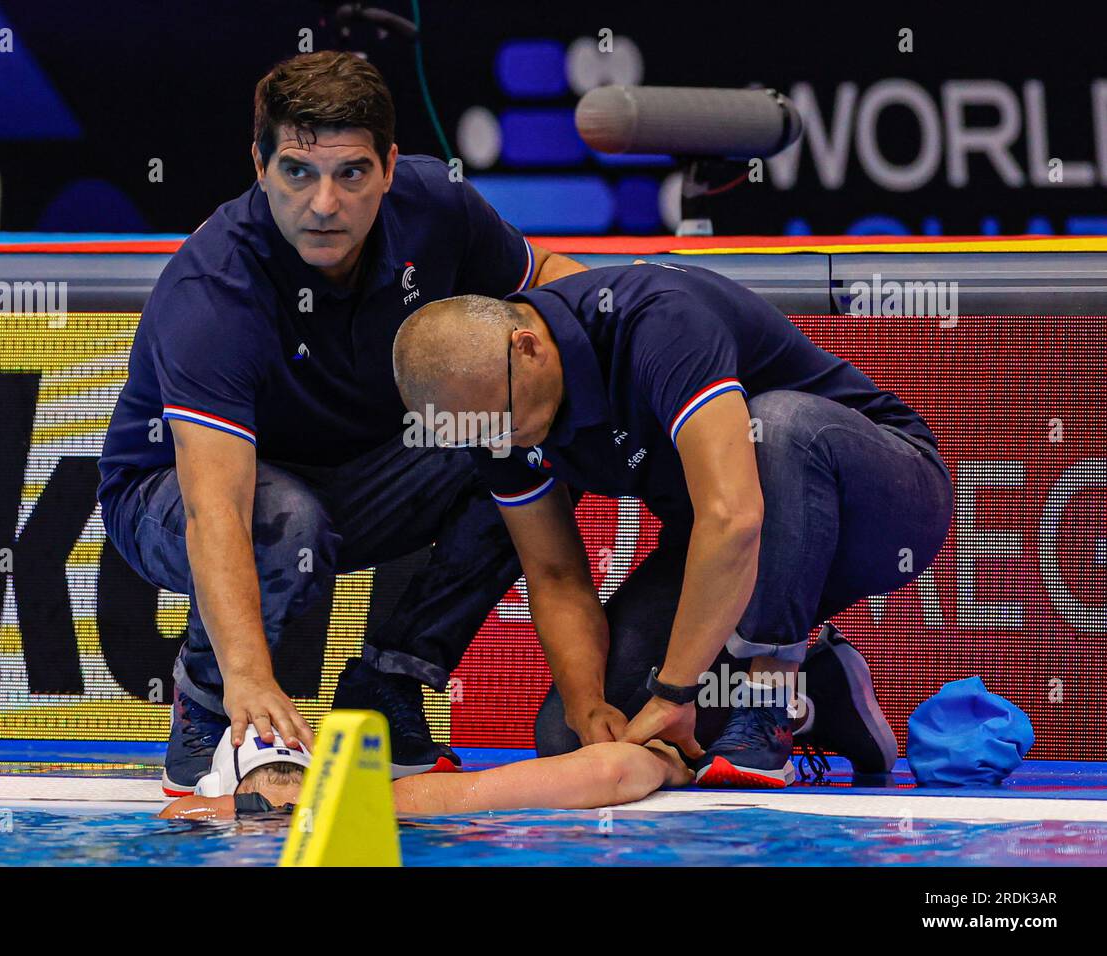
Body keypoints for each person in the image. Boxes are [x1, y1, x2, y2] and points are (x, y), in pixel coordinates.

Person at [98, 51, 586, 793]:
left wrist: (632, 334)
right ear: (258, 167)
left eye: (351, 173)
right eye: (298, 171)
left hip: (364, 475)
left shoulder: (436, 206)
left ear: (390, 167)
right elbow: (215, 510)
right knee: (282, 518)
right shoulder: (214, 289)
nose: (324, 202)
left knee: (530, 425)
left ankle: (389, 682)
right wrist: (250, 681)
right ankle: (207, 716)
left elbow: (549, 279)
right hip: (172, 498)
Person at [391, 263, 954, 788]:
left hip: (888, 504)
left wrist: (675, 691)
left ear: (528, 348)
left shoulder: (659, 320)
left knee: (778, 425)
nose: (500, 443)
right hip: (737, 553)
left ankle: (770, 691)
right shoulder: (490, 410)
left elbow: (733, 517)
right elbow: (556, 574)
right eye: (478, 436)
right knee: (566, 739)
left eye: (503, 422)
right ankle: (819, 684)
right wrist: (589, 708)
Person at [159, 724, 692, 820]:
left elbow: (178, 813)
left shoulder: (202, 816)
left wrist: (261, 814)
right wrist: (667, 763)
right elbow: (611, 774)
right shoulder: (399, 802)